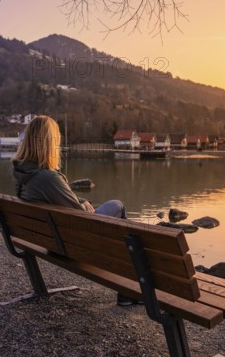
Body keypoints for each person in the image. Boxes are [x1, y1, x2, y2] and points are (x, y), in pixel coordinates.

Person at [11, 115, 139, 306]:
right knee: (117, 206)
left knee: (106, 211)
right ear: (49, 143)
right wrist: (81, 205)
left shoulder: (23, 172)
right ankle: (127, 291)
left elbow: (53, 197)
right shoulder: (48, 178)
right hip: (69, 245)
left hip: (45, 238)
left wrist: (80, 199)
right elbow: (82, 216)